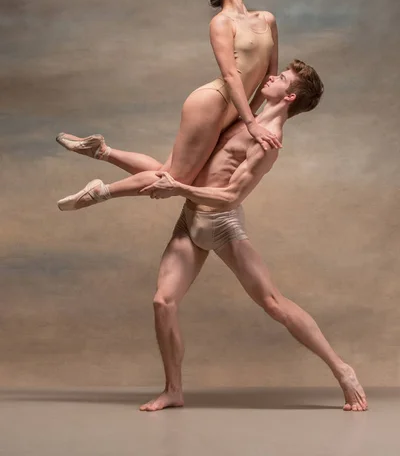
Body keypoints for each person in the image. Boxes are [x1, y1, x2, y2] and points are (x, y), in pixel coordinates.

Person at [56, 60, 368, 412]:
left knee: (274, 303)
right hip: (191, 219)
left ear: (290, 95)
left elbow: (231, 195)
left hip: (221, 224)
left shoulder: (268, 141)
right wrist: (179, 185)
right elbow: (248, 64)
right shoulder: (245, 116)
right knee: (163, 301)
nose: (271, 76)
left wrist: (178, 187)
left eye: (280, 78)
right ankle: (173, 390)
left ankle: (342, 370)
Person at [57, 0, 282, 196]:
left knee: (170, 172)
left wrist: (246, 116)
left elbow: (270, 75)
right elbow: (230, 75)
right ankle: (100, 192)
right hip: (212, 103)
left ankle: (101, 151)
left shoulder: (267, 19)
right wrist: (251, 123)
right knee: (176, 179)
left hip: (235, 108)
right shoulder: (221, 23)